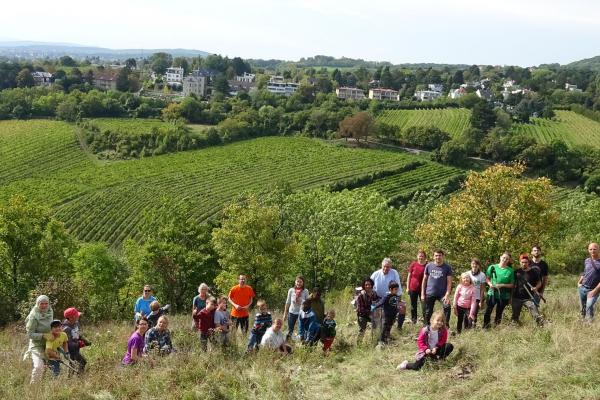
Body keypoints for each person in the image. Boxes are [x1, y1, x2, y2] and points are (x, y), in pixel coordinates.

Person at [24, 295, 54, 384]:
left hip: (48, 344)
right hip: (36, 345)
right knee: (38, 367)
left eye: (46, 303)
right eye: (42, 304)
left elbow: (51, 326)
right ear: (37, 304)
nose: (44, 306)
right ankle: (33, 388)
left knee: (45, 367)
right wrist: (43, 335)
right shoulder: (33, 317)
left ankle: (39, 390)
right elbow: (29, 334)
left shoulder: (50, 311)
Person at [421, 249, 453, 327]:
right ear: (433, 257)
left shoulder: (447, 267)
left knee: (447, 307)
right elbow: (424, 280)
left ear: (443, 256)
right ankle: (426, 327)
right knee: (428, 311)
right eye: (436, 255)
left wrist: (447, 294)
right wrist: (422, 293)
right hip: (430, 292)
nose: (438, 257)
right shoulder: (429, 266)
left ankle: (445, 326)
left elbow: (449, 282)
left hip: (442, 294)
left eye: (439, 255)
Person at [483, 252, 515, 328]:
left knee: (499, 312)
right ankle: (486, 327)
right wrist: (490, 284)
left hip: (503, 295)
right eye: (504, 257)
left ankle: (496, 327)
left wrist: (502, 285)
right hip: (492, 293)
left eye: (507, 259)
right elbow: (487, 278)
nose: (505, 260)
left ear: (509, 260)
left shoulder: (510, 271)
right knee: (488, 311)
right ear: (500, 257)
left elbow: (512, 285)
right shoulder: (492, 267)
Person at [371, 258, 405, 330]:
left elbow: (398, 287)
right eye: (384, 266)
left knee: (402, 307)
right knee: (376, 310)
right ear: (382, 265)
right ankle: (376, 328)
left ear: (390, 267)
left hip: (391, 298)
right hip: (378, 298)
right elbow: (368, 284)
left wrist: (399, 300)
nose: (386, 268)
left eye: (388, 267)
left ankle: (399, 327)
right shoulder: (376, 274)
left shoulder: (394, 273)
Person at [512, 253, 544, 326]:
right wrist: (511, 297)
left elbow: (539, 282)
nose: (524, 264)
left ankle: (541, 327)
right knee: (515, 316)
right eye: (522, 262)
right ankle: (514, 328)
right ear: (520, 262)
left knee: (535, 314)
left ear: (528, 262)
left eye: (525, 262)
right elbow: (513, 284)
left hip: (529, 298)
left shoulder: (534, 272)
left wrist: (536, 287)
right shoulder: (516, 272)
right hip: (516, 297)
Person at [62, 307, 90, 374]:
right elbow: (66, 342)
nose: (78, 316)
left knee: (72, 363)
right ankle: (80, 377)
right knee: (83, 362)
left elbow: (77, 334)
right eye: (77, 316)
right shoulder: (66, 329)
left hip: (76, 347)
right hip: (71, 350)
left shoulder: (76, 323)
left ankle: (70, 379)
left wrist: (85, 340)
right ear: (71, 317)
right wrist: (78, 343)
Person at [578, 242, 600, 321]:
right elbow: (585, 272)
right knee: (583, 308)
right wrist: (579, 283)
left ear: (598, 250)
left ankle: (589, 324)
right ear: (588, 250)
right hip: (583, 288)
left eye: (594, 249)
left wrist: (594, 291)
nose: (592, 251)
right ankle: (583, 323)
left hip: (593, 289)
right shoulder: (587, 260)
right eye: (590, 249)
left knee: (589, 306)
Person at [283, 276, 309, 340]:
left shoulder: (305, 291)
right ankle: (287, 343)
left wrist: (302, 301)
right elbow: (287, 302)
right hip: (291, 312)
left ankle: (301, 343)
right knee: (289, 330)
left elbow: (308, 303)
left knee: (301, 330)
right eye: (297, 281)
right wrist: (285, 314)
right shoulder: (291, 290)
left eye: (300, 282)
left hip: (301, 313)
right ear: (295, 282)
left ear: (303, 283)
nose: (299, 283)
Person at [375, 281, 400, 345]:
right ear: (390, 289)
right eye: (395, 289)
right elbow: (381, 302)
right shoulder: (387, 297)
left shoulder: (396, 296)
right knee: (385, 326)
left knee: (390, 325)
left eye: (397, 289)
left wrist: (397, 309)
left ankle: (387, 337)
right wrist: (374, 306)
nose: (396, 290)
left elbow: (396, 304)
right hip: (387, 315)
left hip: (393, 314)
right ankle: (382, 339)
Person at [355, 277, 381, 342]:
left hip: (372, 314)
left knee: (377, 326)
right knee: (362, 329)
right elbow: (361, 309)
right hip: (363, 315)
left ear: (372, 285)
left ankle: (375, 341)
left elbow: (378, 301)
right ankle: (359, 344)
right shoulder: (361, 296)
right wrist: (370, 313)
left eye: (369, 284)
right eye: (366, 285)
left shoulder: (374, 294)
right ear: (364, 286)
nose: (368, 286)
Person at [406, 250, 427, 324]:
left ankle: (426, 321)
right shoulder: (413, 264)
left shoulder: (427, 265)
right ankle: (414, 320)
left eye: (422, 256)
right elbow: (409, 276)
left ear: (425, 257)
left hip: (423, 289)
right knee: (413, 305)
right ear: (417, 256)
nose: (421, 257)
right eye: (419, 255)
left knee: (424, 305)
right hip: (413, 288)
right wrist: (407, 287)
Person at [468, 258, 487, 327]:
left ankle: (472, 327)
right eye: (473, 264)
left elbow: (482, 289)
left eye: (476, 264)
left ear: (479, 265)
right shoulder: (467, 274)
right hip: (468, 297)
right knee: (467, 313)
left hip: (477, 297)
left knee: (474, 313)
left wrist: (481, 301)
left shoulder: (482, 275)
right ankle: (466, 328)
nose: (474, 265)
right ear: (471, 265)